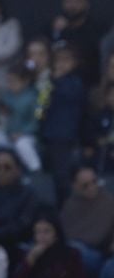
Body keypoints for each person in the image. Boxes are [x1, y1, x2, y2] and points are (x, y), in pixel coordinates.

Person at [0, 149, 43, 253]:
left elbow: (21, 226)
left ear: (18, 170)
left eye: (7, 168)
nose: (1, 172)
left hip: (13, 248)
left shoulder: (28, 195)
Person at [40, 42, 90, 177]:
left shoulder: (76, 82)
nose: (61, 63)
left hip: (67, 134)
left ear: (75, 62)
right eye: (58, 60)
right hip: (49, 133)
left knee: (64, 172)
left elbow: (72, 97)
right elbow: (41, 105)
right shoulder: (48, 82)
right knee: (51, 173)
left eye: (66, 59)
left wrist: (57, 81)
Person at [50, 0, 106, 87]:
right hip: (53, 84)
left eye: (78, 1)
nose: (73, 5)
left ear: (87, 4)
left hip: (88, 84)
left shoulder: (98, 30)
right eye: (69, 1)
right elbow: (38, 59)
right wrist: (56, 32)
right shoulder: (52, 28)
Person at [60, 166, 114, 271]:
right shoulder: (69, 206)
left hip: (102, 255)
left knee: (75, 249)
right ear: (75, 186)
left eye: (94, 182)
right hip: (75, 250)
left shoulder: (109, 202)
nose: (92, 187)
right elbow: (66, 234)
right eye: (85, 185)